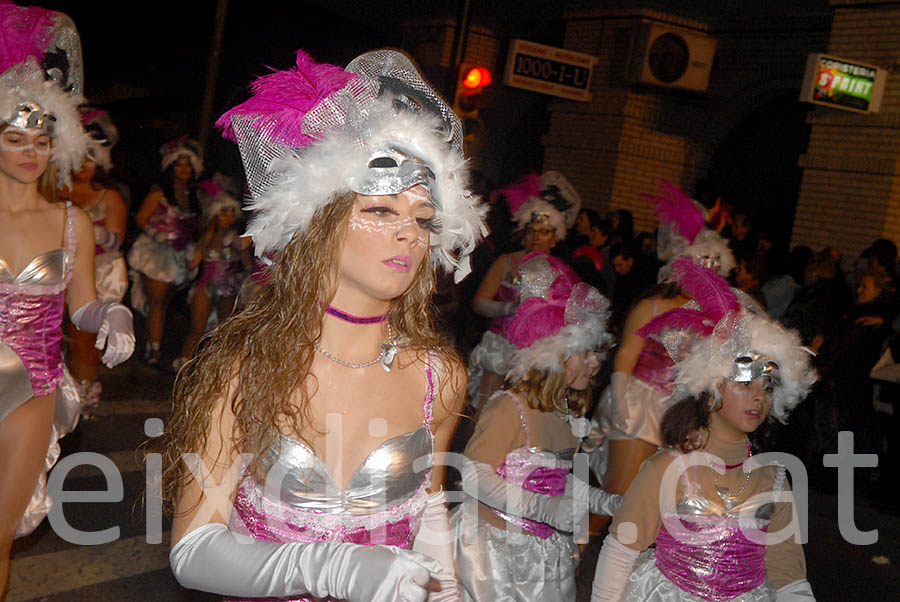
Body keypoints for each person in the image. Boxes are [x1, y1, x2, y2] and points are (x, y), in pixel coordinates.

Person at [159, 48, 486, 602]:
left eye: (423, 218)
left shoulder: (440, 378)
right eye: (381, 210)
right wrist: (324, 566)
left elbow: (431, 523)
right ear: (319, 221)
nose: (410, 233)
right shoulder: (245, 364)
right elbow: (192, 550)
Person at [0, 5, 134, 593]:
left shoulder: (71, 220)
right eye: (13, 138)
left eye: (40, 138)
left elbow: (81, 304)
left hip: (30, 386)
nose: (29, 151)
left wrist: (112, 312)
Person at [590, 260, 817, 602]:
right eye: (745, 382)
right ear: (709, 389)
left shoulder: (774, 482)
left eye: (768, 386)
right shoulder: (666, 470)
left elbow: (789, 578)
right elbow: (620, 553)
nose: (759, 395)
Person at [452, 251, 622, 602]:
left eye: (597, 354)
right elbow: (473, 474)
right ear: (551, 355)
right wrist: (541, 509)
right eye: (586, 353)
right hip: (493, 555)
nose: (596, 363)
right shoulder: (510, 407)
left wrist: (609, 502)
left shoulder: (566, 411)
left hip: (543, 555)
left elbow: (563, 486)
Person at [589, 181, 738, 512]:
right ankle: (575, 552)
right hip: (640, 405)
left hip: (682, 415)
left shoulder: (715, 317)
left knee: (656, 507)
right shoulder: (653, 305)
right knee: (620, 497)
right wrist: (620, 399)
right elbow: (626, 354)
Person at [467, 171, 581, 409]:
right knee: (487, 410)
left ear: (556, 236)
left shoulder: (561, 272)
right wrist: (509, 307)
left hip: (535, 354)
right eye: (532, 231)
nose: (536, 237)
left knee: (519, 413)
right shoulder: (507, 262)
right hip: (500, 347)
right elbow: (479, 302)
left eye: (544, 232)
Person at [61, 107, 128, 406]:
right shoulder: (54, 190)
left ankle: (85, 393)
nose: (84, 164)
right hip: (56, 269)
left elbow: (117, 238)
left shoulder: (109, 196)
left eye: (91, 157)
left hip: (97, 271)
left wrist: (95, 234)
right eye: (80, 156)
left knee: (83, 338)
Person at [127, 135, 202, 366]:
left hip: (180, 256)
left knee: (166, 302)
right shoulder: (158, 192)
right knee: (157, 303)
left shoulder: (194, 196)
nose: (184, 169)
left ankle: (154, 344)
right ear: (171, 166)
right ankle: (153, 350)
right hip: (156, 253)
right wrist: (159, 235)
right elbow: (140, 218)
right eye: (179, 164)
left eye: (188, 165)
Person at [172, 175, 251, 371]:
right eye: (224, 212)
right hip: (205, 287)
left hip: (228, 288)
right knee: (196, 329)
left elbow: (248, 264)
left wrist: (244, 248)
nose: (229, 217)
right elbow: (191, 266)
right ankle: (184, 366)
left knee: (223, 331)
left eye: (232, 212)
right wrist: (192, 252)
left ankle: (218, 370)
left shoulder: (234, 238)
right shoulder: (204, 239)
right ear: (214, 214)